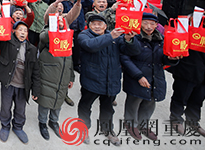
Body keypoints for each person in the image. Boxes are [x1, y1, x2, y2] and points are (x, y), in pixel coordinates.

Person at [77, 14, 140, 145]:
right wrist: (110, 36)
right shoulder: (84, 36)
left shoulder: (116, 37)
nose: (97, 26)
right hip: (92, 80)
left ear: (105, 26)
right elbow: (90, 46)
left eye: (100, 24)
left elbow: (132, 51)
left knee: (108, 108)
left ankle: (107, 130)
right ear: (89, 26)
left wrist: (129, 40)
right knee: (85, 105)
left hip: (111, 80)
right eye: (94, 24)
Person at [121, 13, 180, 141]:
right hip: (137, 76)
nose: (149, 26)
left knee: (150, 101)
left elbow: (163, 58)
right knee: (134, 102)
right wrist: (139, 76)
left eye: (152, 23)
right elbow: (125, 58)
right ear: (139, 23)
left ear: (156, 25)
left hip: (155, 76)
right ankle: (131, 124)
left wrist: (171, 59)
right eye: (145, 23)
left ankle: (143, 124)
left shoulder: (161, 39)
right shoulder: (132, 36)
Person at [0, 21, 40, 144]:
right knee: (5, 106)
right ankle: (5, 125)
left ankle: (18, 127)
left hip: (23, 86)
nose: (23, 32)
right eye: (20, 30)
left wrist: (36, 90)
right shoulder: (8, 43)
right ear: (14, 32)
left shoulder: (32, 49)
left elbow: (35, 71)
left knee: (20, 109)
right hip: (9, 83)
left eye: (25, 30)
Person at [37, 12, 76, 141]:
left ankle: (54, 121)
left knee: (59, 98)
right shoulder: (47, 32)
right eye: (57, 19)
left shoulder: (68, 33)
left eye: (62, 20)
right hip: (49, 71)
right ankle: (42, 122)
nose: (60, 21)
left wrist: (71, 76)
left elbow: (70, 56)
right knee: (45, 98)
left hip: (64, 72)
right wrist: (53, 26)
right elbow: (43, 38)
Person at [168, 33, 205, 137]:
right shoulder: (193, 25)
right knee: (181, 96)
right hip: (188, 68)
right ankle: (176, 119)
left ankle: (193, 121)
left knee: (198, 99)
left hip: (203, 74)